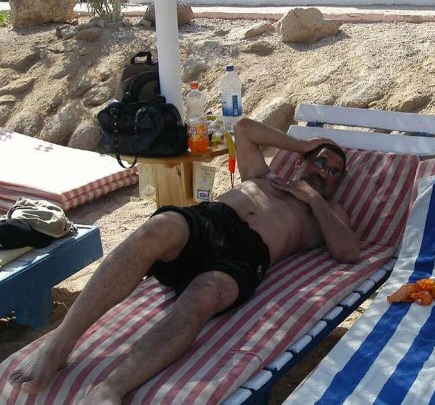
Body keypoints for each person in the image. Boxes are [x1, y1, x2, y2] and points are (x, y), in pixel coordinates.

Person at [8, 118, 357, 403]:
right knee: (155, 229)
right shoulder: (264, 178)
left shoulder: (326, 213)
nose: (325, 172)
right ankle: (60, 343)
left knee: (206, 295)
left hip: (246, 255)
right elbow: (244, 129)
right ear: (301, 161)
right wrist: (303, 144)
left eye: (335, 172)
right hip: (209, 221)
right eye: (320, 162)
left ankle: (110, 389)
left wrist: (313, 199)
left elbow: (349, 252)